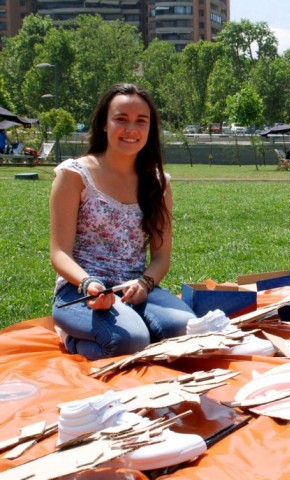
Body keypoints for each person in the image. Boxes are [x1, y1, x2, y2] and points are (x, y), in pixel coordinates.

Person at [50, 83, 196, 360]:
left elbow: (161, 257)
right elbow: (59, 253)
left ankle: (137, 328)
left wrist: (144, 284)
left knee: (185, 331)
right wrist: (89, 284)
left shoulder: (158, 183)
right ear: (104, 124)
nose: (131, 129)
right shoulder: (74, 175)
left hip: (136, 289)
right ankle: (71, 336)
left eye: (141, 121)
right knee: (131, 341)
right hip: (82, 291)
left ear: (150, 129)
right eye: (121, 119)